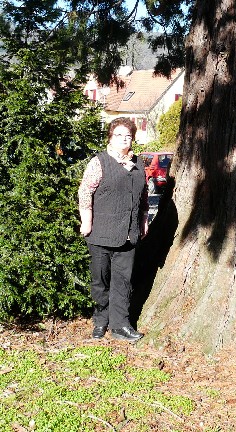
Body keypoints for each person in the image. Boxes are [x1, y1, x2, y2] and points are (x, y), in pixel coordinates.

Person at [78, 117, 149, 342]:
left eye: (128, 136)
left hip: (128, 235)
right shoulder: (99, 162)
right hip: (100, 234)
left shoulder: (138, 164)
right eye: (119, 135)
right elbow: (85, 192)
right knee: (100, 281)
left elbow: (144, 197)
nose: (124, 139)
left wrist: (143, 221)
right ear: (111, 137)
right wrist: (86, 220)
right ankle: (100, 321)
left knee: (123, 282)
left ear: (133, 139)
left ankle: (120, 325)